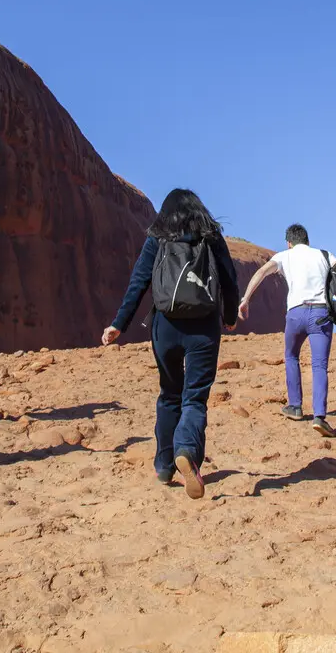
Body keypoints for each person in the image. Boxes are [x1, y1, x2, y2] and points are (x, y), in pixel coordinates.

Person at [101, 189, 239, 499]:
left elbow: (139, 281)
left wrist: (118, 324)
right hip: (203, 327)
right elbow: (229, 280)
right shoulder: (211, 236)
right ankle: (187, 449)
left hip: (166, 326)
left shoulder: (158, 236)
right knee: (194, 399)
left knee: (169, 395)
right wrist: (229, 316)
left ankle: (164, 466)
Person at [238, 223, 336, 437]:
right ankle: (319, 418)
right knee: (319, 365)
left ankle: (295, 406)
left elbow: (261, 272)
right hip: (321, 314)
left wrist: (246, 299)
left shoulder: (284, 257)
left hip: (296, 314)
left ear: (289, 242)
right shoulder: (323, 255)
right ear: (307, 240)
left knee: (291, 356)